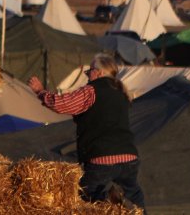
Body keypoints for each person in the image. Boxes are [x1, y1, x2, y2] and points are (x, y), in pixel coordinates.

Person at [28, 53, 145, 210]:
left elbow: (62, 104)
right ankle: (126, 205)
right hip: (129, 157)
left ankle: (108, 200)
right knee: (134, 197)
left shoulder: (91, 91)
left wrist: (40, 92)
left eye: (90, 70)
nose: (88, 75)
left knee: (84, 197)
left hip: (102, 158)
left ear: (99, 72)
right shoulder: (121, 92)